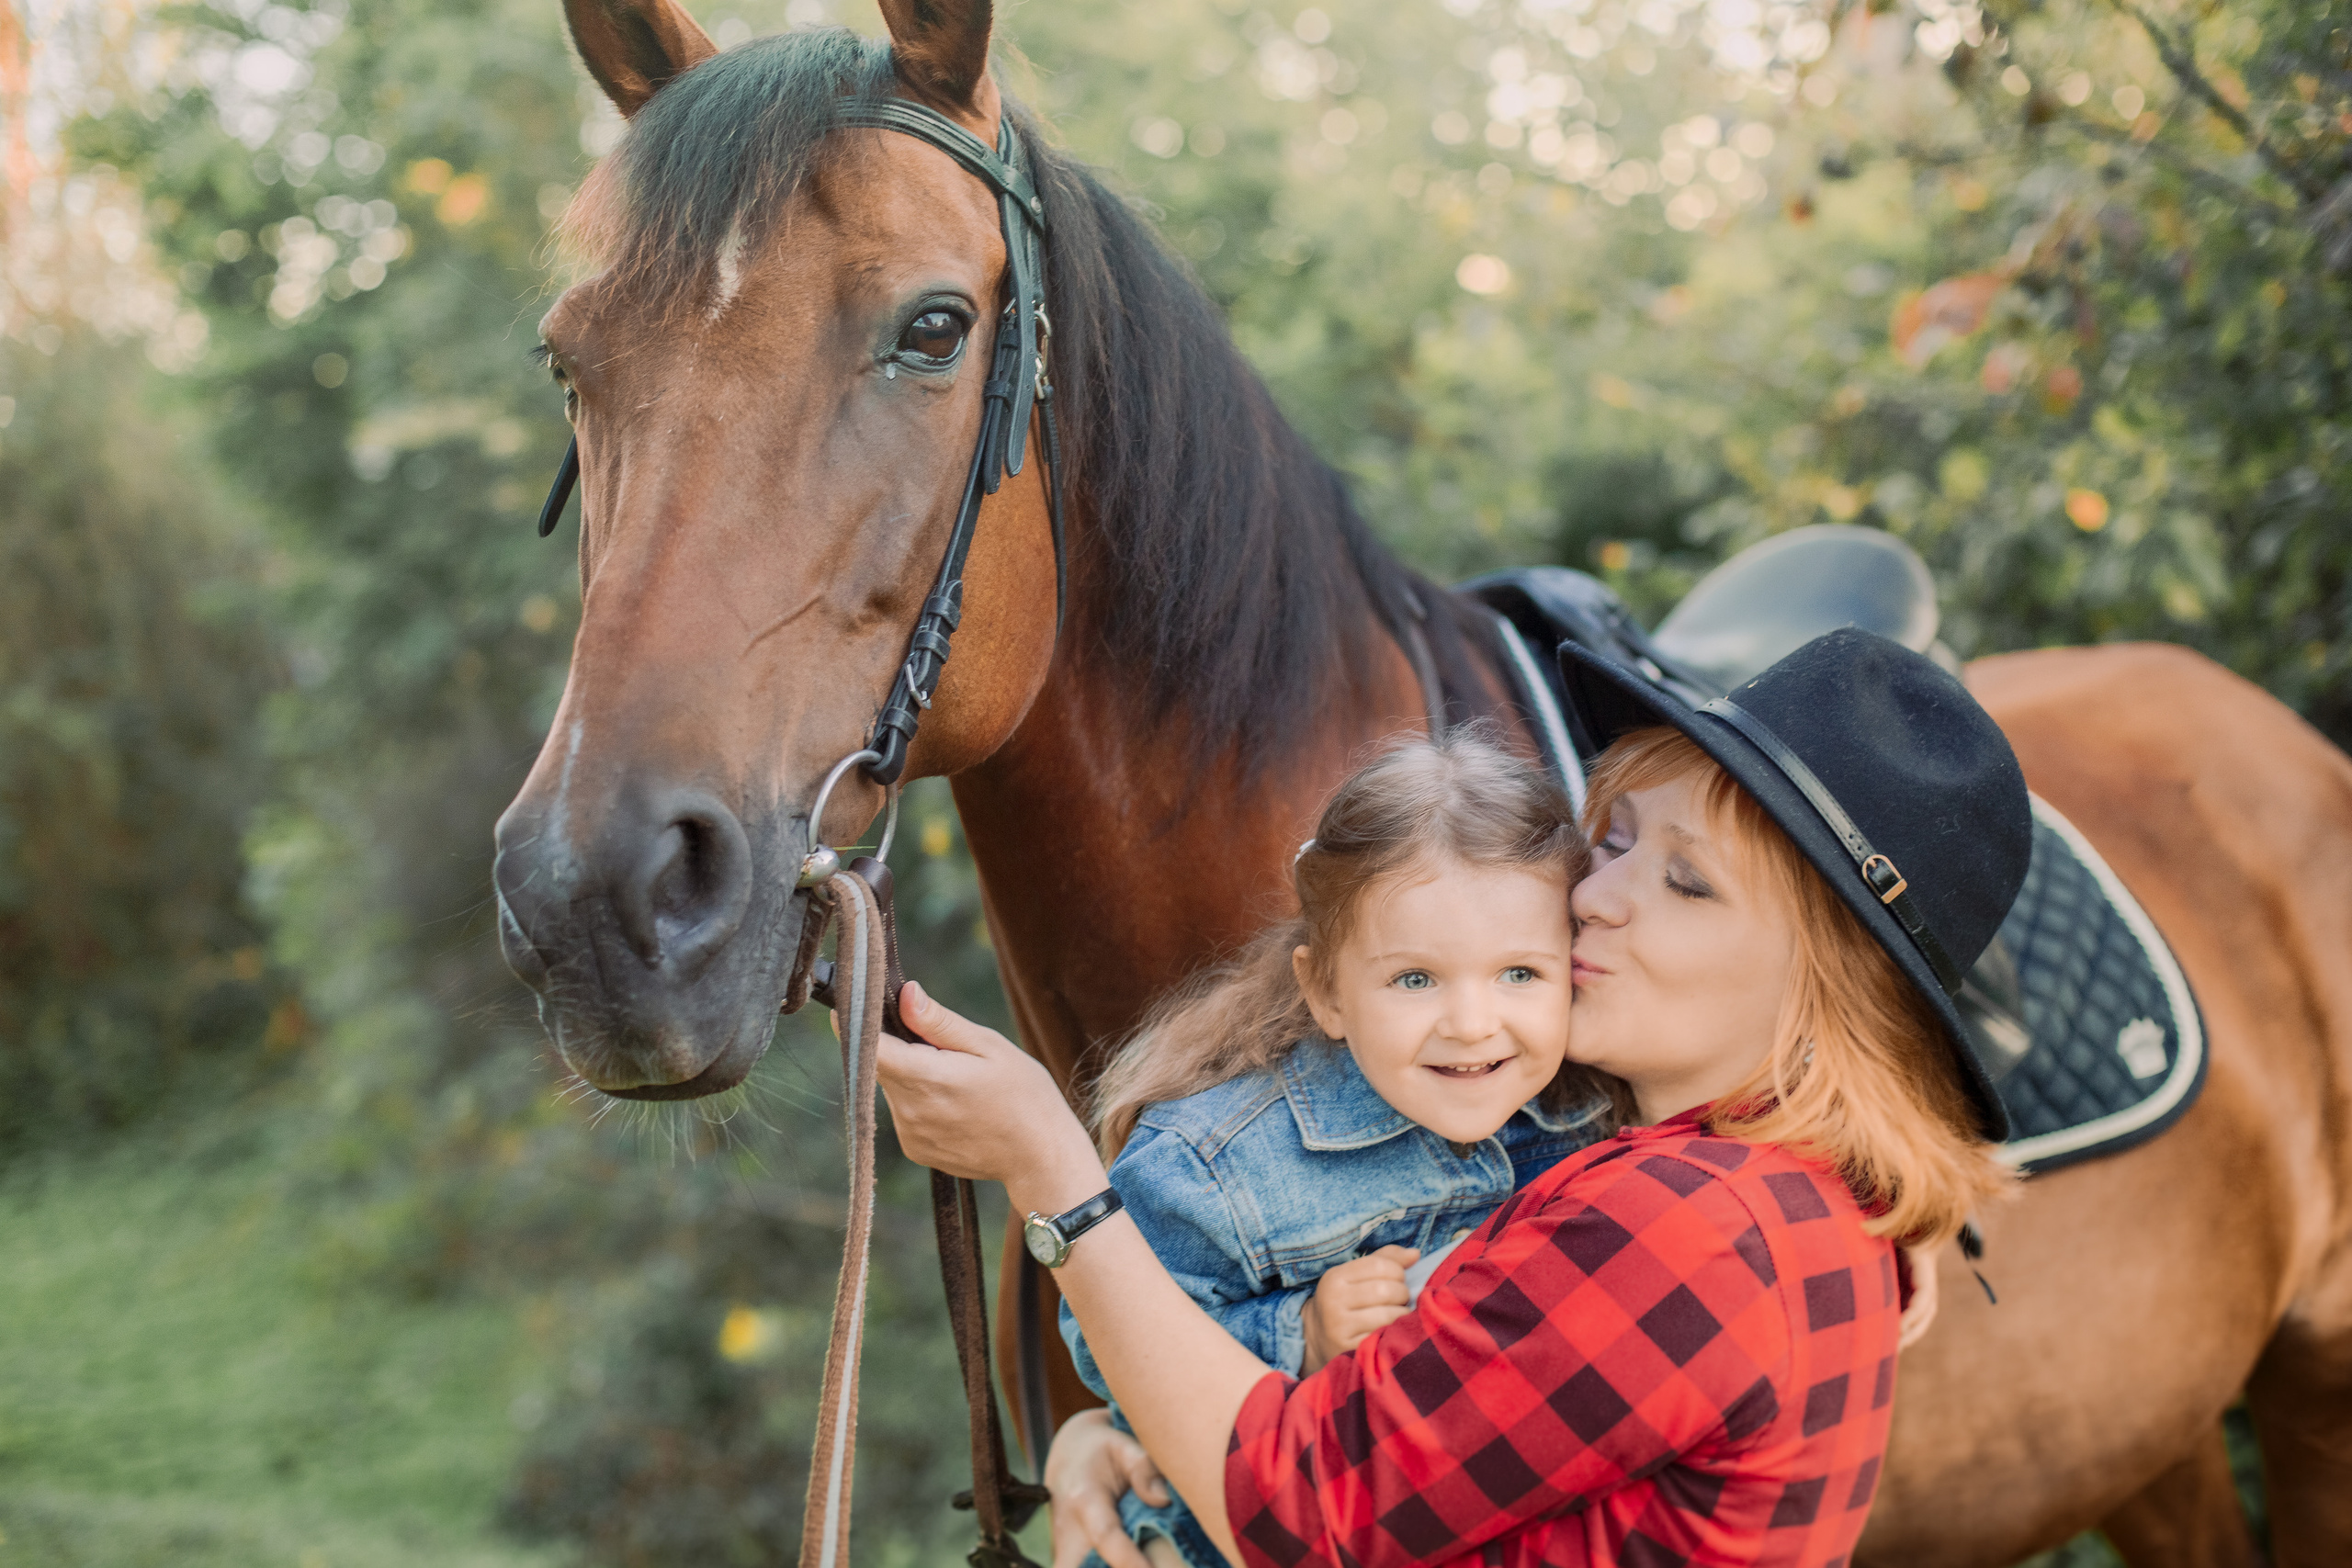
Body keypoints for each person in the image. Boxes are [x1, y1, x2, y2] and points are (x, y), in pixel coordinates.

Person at [875, 627, 2028, 1567]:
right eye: (1616, 841)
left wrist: (1052, 1172)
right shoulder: (1788, 1183)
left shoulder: (1681, 1231)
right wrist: (1109, 1428)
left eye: (1685, 881)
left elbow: (1297, 1515)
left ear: (1817, 984)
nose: (1596, 897)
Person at [1059, 732, 1608, 1568]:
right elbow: (1115, 1341)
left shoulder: (1596, 1109)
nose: (1471, 1021)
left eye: (1520, 974)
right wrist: (1299, 1332)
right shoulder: (1219, 1164)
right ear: (1326, 991)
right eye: (1416, 979)